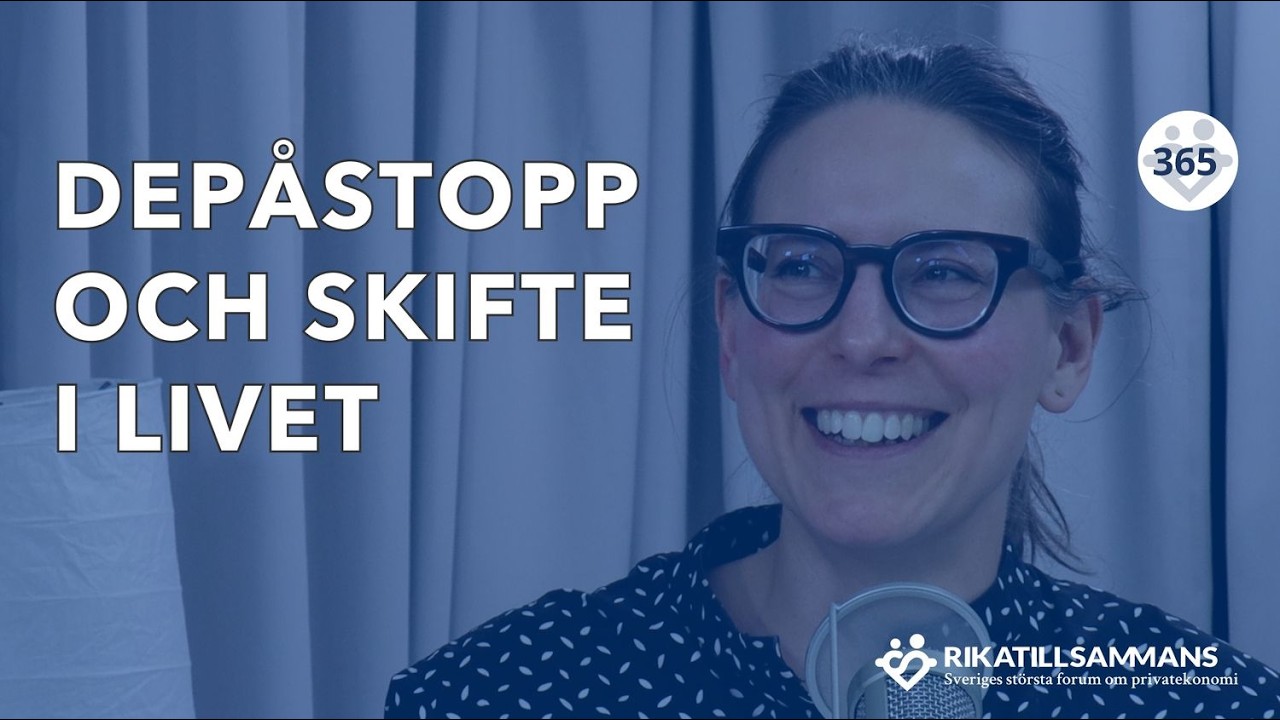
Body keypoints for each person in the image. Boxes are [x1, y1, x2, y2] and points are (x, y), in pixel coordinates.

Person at [385, 41, 1280, 719]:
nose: (861, 338)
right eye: (803, 266)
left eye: (944, 271)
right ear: (731, 330)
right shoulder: (497, 696)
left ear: (1069, 347)